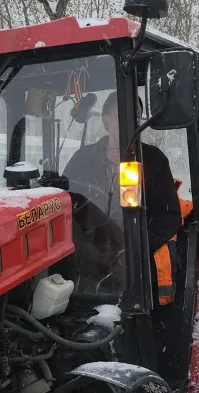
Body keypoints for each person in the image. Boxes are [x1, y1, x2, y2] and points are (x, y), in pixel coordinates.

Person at [63, 97, 182, 296]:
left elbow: (169, 217)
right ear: (105, 121)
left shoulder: (154, 160)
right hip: (89, 256)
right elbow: (67, 203)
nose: (130, 122)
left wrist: (137, 251)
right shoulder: (82, 159)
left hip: (135, 262)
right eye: (121, 116)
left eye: (136, 117)